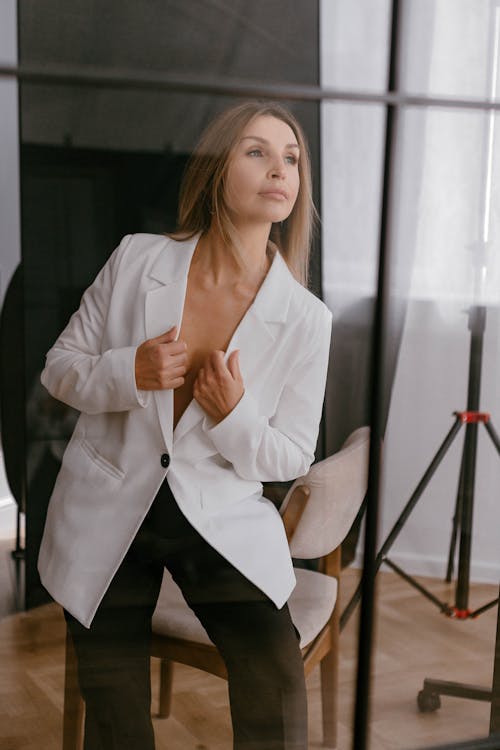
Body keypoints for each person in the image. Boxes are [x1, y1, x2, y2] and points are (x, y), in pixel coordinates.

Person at [38, 101, 333, 750]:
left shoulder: (308, 320)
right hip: (110, 501)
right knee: (114, 704)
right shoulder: (136, 260)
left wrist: (234, 417)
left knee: (275, 681)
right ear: (216, 168)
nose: (278, 168)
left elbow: (290, 454)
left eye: (290, 158)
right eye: (256, 151)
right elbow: (60, 371)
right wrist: (129, 371)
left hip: (217, 516)